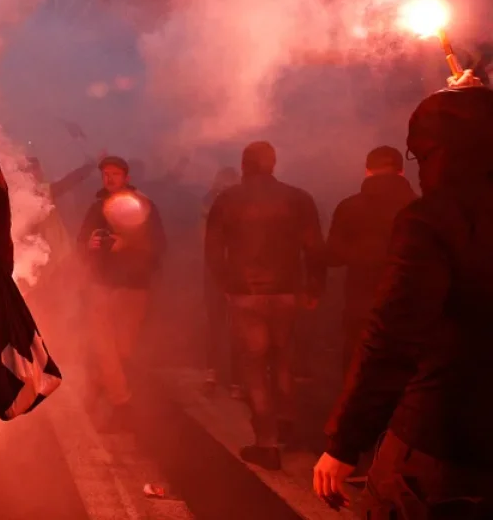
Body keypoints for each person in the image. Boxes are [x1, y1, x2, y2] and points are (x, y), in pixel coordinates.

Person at [314, 82, 493, 517]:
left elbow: (393, 341)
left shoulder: (436, 217)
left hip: (444, 441)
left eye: (423, 155)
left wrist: (344, 444)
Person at [205, 141, 324, 471]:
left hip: (245, 293)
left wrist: (226, 285)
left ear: (244, 166)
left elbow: (214, 251)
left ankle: (267, 443)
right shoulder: (298, 199)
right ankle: (288, 423)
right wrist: (314, 287)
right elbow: (315, 247)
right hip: (287, 291)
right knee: (283, 356)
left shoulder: (227, 200)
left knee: (254, 365)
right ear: (272, 164)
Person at [75, 156, 166, 430]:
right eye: (105, 174)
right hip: (101, 285)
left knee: (122, 349)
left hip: (133, 287)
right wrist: (89, 243)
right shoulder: (97, 208)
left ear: (126, 177)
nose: (109, 179)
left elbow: (158, 246)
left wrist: (126, 244)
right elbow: (80, 242)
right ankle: (121, 404)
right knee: (104, 344)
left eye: (114, 174)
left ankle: (99, 388)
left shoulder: (144, 207)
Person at [325, 146, 417, 378]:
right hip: (409, 303)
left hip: (361, 304)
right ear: (402, 172)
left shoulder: (349, 207)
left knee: (357, 368)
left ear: (367, 171)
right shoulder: (420, 207)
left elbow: (333, 256)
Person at [202, 167, 241, 399]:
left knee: (235, 327)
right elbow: (204, 236)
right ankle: (214, 374)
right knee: (216, 324)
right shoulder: (210, 202)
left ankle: (233, 378)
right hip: (217, 272)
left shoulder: (241, 204)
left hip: (232, 272)